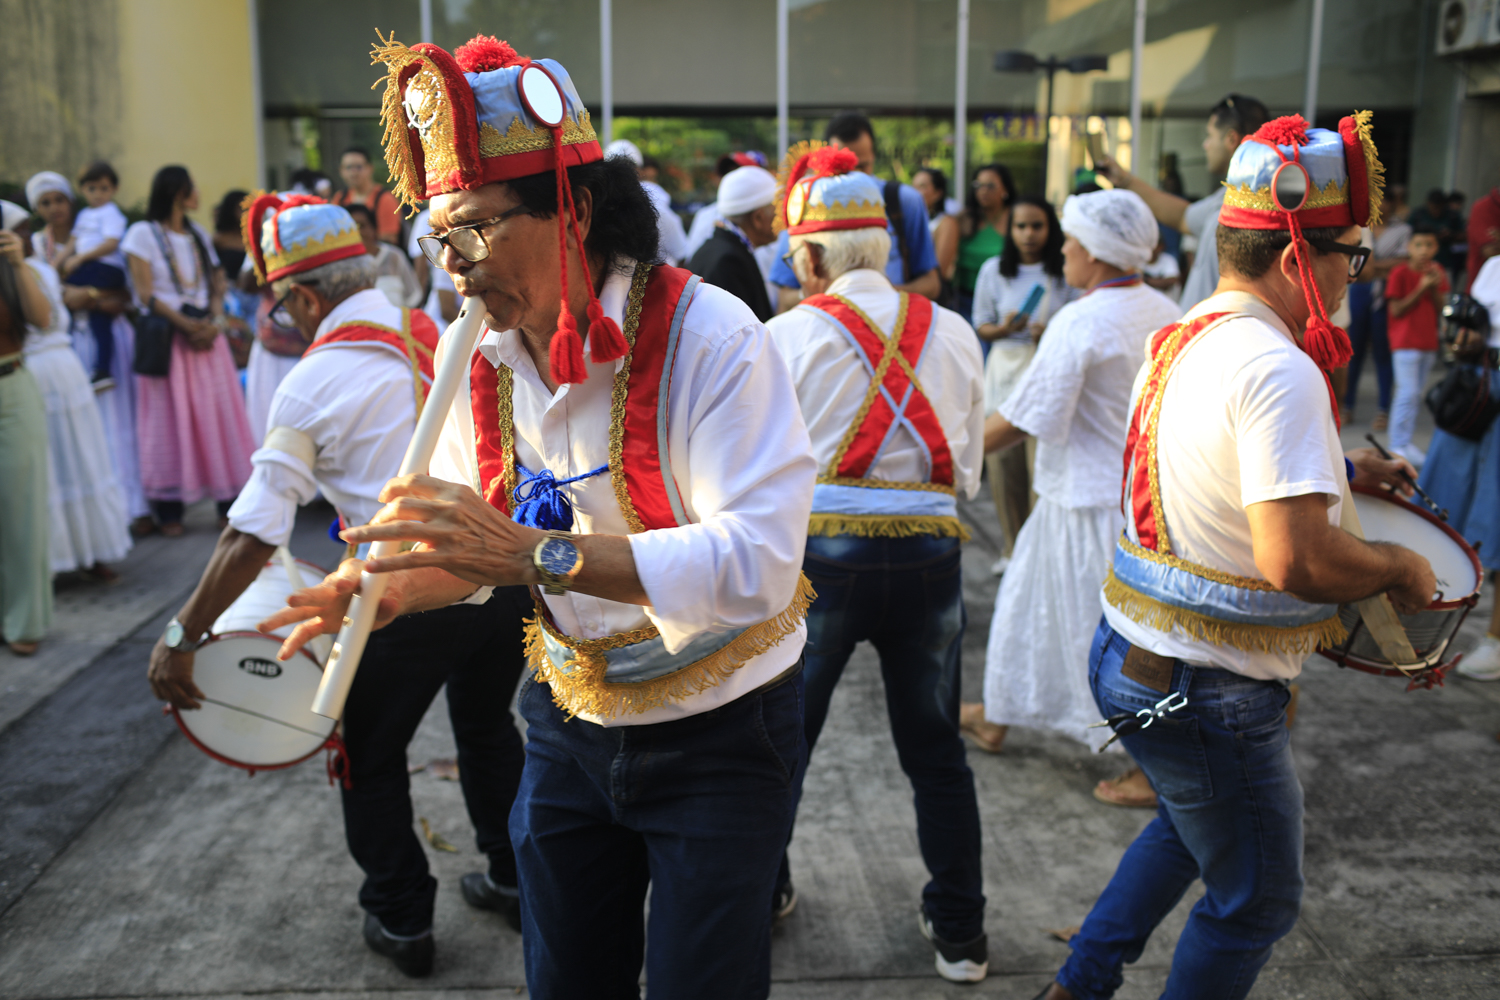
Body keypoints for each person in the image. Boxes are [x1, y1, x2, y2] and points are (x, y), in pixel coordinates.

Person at [264, 34, 816, 999]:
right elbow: (467, 552)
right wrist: (376, 593)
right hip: (567, 720)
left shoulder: (713, 335)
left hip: (722, 731)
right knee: (564, 981)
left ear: (574, 207)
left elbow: (756, 566)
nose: (456, 269)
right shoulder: (470, 356)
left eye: (475, 229)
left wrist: (531, 551)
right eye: (440, 239)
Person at [1032, 113, 1433, 1000]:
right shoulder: (1280, 366)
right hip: (1204, 686)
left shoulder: (1185, 336)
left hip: (1129, 655)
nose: (1353, 279)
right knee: (1255, 900)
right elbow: (1294, 560)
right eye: (1351, 260)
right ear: (1299, 259)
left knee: (1187, 820)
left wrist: (1340, 467)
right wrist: (1401, 571)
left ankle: (1078, 985)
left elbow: (1209, 465)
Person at [147, 194, 528, 977]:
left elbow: (253, 531)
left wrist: (183, 634)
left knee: (371, 756)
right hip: (498, 577)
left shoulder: (314, 380)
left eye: (280, 300)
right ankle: (515, 878)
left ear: (304, 299)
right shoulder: (447, 331)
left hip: (397, 598)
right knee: (490, 729)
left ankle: (402, 918)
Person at [764, 146, 988, 983]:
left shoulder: (783, 335)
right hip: (931, 557)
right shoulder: (956, 331)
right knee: (935, 750)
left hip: (821, 562)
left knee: (783, 741)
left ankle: (764, 892)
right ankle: (962, 932)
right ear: (885, 248)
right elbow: (963, 468)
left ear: (814, 255)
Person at [968, 190, 1180, 777]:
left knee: (1107, 637)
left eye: (1070, 240)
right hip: (1133, 499)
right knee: (1028, 607)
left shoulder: (1081, 318)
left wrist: (946, 452)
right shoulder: (1165, 309)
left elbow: (1024, 418)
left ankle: (1147, 764)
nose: (1062, 249)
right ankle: (998, 714)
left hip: (1085, 502)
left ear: (1097, 251)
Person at [123, 166, 256, 535]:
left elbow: (216, 283)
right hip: (171, 340)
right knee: (169, 420)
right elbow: (145, 293)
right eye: (191, 187)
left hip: (204, 338)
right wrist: (188, 326)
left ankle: (226, 504)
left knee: (218, 417)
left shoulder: (197, 232)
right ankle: (170, 511)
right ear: (178, 191)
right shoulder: (142, 234)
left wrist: (213, 321)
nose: (197, 194)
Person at [3, 202, 131, 582]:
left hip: (67, 371)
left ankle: (96, 551)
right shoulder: (9, 276)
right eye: (18, 229)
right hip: (31, 375)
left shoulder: (43, 269)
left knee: (85, 458)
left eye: (26, 230)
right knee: (49, 470)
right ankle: (52, 561)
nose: (25, 237)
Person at [26, 170, 150, 537]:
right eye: (45, 203)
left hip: (107, 337)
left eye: (59, 200)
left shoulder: (99, 237)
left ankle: (135, 506)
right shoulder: (34, 246)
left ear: (70, 201)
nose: (54, 208)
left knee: (120, 420)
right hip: (65, 345)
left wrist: (92, 297)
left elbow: (126, 295)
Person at [965, 196, 1076, 582]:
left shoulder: (1065, 271)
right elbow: (981, 324)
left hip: (1046, 371)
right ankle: (1012, 548)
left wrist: (1051, 331)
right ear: (1009, 231)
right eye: (1021, 226)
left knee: (1040, 468)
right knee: (1002, 467)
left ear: (1051, 229)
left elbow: (1078, 322)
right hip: (1004, 372)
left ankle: (1039, 552)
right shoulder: (994, 271)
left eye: (1037, 226)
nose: (1029, 234)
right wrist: (1005, 328)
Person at [1096, 93, 1270, 312]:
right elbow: (1183, 216)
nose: (1205, 144)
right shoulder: (1227, 197)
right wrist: (1123, 179)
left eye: (1210, 135)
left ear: (1231, 139)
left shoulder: (1258, 210)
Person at [769, 113, 941, 312]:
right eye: (842, 167)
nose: (854, 175)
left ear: (874, 157)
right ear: (828, 159)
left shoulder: (904, 201)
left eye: (862, 166)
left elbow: (931, 284)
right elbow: (785, 297)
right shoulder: (806, 202)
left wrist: (877, 296)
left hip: (890, 323)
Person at [1426, 252, 1500, 679]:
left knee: (1497, 519)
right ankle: (1427, 618)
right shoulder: (1493, 266)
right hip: (1475, 392)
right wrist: (1464, 337)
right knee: (1442, 504)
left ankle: (1495, 638)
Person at [0, 205, 57, 656]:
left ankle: (23, 621)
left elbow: (43, 319)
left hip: (12, 389)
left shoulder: (11, 259)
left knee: (21, 512)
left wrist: (18, 263)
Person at [57, 161, 128, 386]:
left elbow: (110, 244)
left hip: (106, 268)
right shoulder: (85, 214)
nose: (98, 194)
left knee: (64, 294)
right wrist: (54, 265)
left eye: (104, 188)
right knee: (97, 316)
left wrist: (79, 258)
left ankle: (101, 366)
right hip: (90, 268)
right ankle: (101, 369)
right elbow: (72, 243)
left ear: (114, 190)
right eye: (92, 188)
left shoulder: (111, 212)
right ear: (82, 190)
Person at [1343, 191, 1411, 427]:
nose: (1378, 204)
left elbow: (1404, 262)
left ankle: (1383, 409)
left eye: (1383, 199)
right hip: (1359, 291)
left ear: (1392, 203)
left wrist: (1372, 267)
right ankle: (1347, 406)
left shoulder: (1403, 230)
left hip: (1386, 294)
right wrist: (1380, 268)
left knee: (1383, 352)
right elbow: (1355, 264)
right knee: (1354, 352)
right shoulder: (1358, 225)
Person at [1385, 227, 1449, 468]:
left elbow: (1441, 306)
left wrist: (1432, 286)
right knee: (1407, 393)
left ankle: (1405, 442)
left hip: (1428, 343)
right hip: (1404, 343)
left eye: (1429, 245)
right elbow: (1396, 310)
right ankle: (1396, 445)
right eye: (1419, 245)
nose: (1424, 251)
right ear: (1409, 247)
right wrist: (1421, 287)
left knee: (1415, 395)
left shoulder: (1437, 271)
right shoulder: (1399, 273)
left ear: (1436, 249)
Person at [687, 164, 777, 321]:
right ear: (758, 218)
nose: (781, 220)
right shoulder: (728, 261)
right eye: (776, 212)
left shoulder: (720, 250)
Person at [604, 139, 690, 265]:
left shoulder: (657, 207)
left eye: (627, 168)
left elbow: (681, 254)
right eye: (615, 168)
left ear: (639, 172)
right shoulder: (598, 207)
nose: (621, 174)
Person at [955, 163, 1015, 323]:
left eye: (990, 186)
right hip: (965, 299)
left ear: (1005, 189)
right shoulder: (965, 219)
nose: (983, 191)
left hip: (1003, 300)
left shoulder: (1016, 219)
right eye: (978, 185)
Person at [684, 151, 767, 260]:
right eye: (726, 174)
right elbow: (691, 260)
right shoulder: (704, 215)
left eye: (737, 174)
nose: (729, 180)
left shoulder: (770, 217)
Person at [346, 202, 423, 308]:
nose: (358, 232)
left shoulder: (394, 257)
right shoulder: (344, 265)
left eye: (362, 226)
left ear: (373, 228)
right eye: (351, 228)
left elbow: (414, 298)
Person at [334, 147, 402, 245]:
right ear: (341, 171)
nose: (353, 173)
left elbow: (389, 239)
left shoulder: (385, 199)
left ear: (370, 168)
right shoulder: (340, 198)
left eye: (358, 167)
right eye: (348, 167)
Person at [913, 166, 960, 288]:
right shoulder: (912, 220)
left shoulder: (946, 223)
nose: (915, 192)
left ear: (938, 193)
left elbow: (940, 272)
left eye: (922, 187)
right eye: (913, 186)